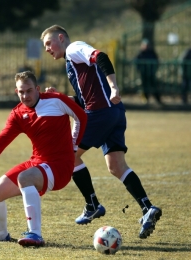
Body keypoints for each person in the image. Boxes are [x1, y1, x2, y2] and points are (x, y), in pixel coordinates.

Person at [41, 25, 162, 239]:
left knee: (67, 155)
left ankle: (92, 204)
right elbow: (82, 100)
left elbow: (101, 56)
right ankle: (147, 208)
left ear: (61, 38)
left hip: (99, 113)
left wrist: (114, 87)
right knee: (116, 166)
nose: (47, 49)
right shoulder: (73, 64)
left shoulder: (74, 48)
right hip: (114, 113)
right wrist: (59, 97)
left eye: (49, 43)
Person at [0, 71, 87, 246]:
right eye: (21, 92)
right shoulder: (18, 113)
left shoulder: (55, 100)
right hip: (37, 162)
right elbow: (4, 135)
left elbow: (81, 117)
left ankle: (35, 234)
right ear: (16, 91)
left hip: (60, 166)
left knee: (25, 178)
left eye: (29, 91)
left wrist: (74, 145)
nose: (25, 95)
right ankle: (1, 235)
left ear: (37, 89)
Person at [135, 39, 161, 104]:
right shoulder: (140, 54)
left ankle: (158, 100)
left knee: (154, 86)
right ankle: (146, 100)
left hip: (151, 73)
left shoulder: (152, 53)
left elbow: (156, 61)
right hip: (143, 74)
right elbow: (137, 63)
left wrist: (154, 70)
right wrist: (140, 70)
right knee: (144, 87)